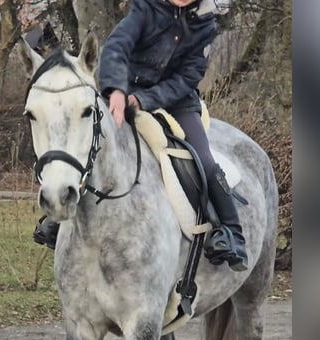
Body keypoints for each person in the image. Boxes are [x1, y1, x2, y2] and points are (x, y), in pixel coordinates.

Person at [34, 0, 247, 271]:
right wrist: (117, 89)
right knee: (91, 143)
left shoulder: (205, 24)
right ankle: (60, 215)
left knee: (204, 160)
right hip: (124, 90)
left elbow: (187, 77)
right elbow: (117, 47)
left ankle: (231, 232)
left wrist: (145, 98)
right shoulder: (145, 8)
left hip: (176, 101)